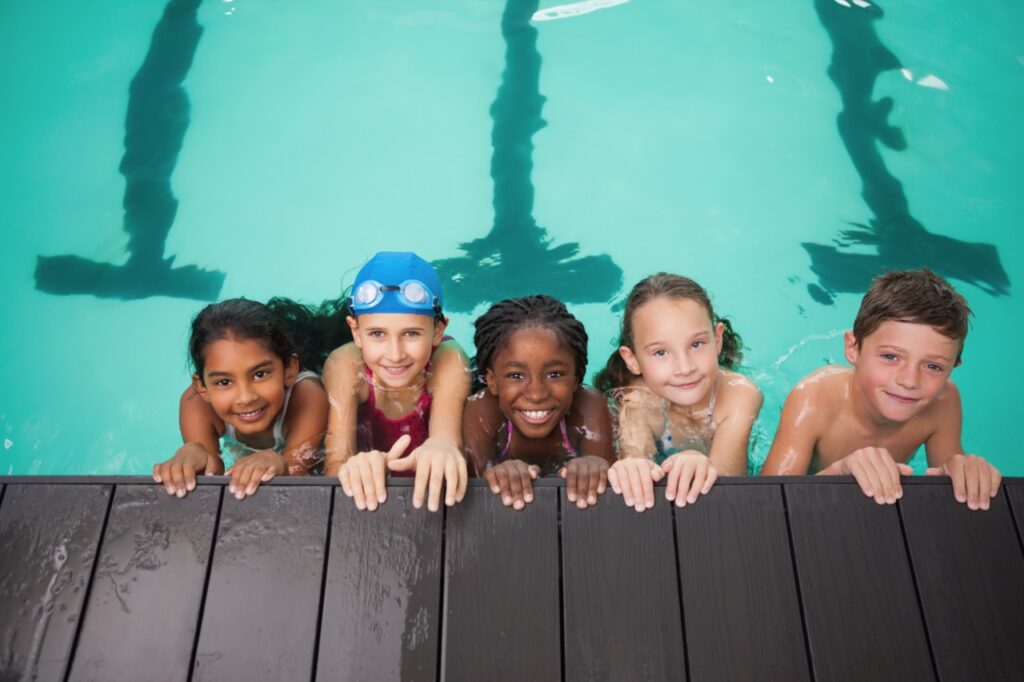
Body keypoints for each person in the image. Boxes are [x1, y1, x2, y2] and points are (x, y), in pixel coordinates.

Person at [761, 269, 1002, 509]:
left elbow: (950, 485)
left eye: (933, 366)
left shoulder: (943, 401)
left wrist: (964, 473)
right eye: (890, 356)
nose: (909, 381)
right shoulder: (814, 398)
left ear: (953, 367)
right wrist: (838, 473)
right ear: (853, 348)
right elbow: (767, 502)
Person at [595, 273, 763, 512]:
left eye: (696, 344)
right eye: (661, 352)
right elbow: (636, 462)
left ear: (717, 339)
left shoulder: (739, 395)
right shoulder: (636, 400)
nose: (685, 368)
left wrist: (701, 463)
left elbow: (731, 485)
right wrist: (632, 468)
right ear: (632, 360)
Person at [322, 251, 471, 512]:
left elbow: (448, 442)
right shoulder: (345, 365)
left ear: (438, 331)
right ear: (356, 332)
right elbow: (335, 463)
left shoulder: (449, 360)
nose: (395, 354)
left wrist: (441, 447)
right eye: (377, 333)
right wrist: (352, 468)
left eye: (411, 333)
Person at [153, 298, 330, 499]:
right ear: (202, 387)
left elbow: (297, 473)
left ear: (289, 369)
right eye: (224, 382)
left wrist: (281, 462)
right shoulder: (196, 403)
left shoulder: (307, 396)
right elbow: (212, 480)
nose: (245, 398)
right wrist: (196, 453)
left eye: (260, 374)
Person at [464, 295, 614, 510]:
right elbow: (475, 487)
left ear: (576, 379)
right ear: (492, 381)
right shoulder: (481, 410)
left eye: (555, 374)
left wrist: (594, 467)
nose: (536, 394)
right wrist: (496, 472)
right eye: (515, 375)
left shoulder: (589, 405)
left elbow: (606, 476)